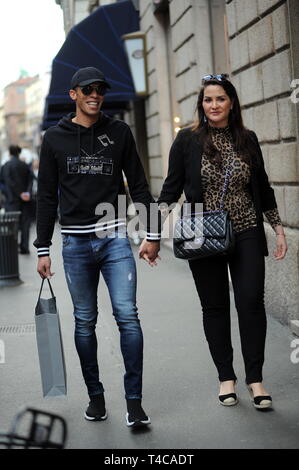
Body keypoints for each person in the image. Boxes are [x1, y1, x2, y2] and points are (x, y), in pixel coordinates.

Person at [140, 74, 287, 409]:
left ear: (231, 102)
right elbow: (170, 190)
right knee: (215, 306)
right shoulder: (187, 140)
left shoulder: (248, 139)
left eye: (220, 98)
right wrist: (152, 235)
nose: (214, 105)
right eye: (208, 99)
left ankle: (255, 379)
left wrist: (277, 228)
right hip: (202, 232)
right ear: (201, 104)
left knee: (250, 301)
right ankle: (226, 377)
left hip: (246, 228)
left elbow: (262, 187)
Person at [34, 67, 160, 427]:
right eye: (87, 89)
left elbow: (137, 184)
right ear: (73, 94)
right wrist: (43, 248)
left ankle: (134, 403)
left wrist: (151, 235)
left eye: (100, 89)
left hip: (115, 238)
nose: (95, 94)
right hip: (74, 242)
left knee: (127, 316)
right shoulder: (54, 138)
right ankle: (96, 397)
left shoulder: (119, 131)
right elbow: (45, 197)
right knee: (85, 322)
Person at [1, 145, 33, 253]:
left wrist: (18, 193)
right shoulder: (25, 165)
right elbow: (31, 180)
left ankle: (12, 248)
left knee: (12, 225)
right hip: (25, 200)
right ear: (19, 153)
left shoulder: (6, 166)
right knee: (25, 225)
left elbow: (6, 182)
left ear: (10, 153)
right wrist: (26, 193)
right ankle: (25, 247)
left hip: (11, 201)